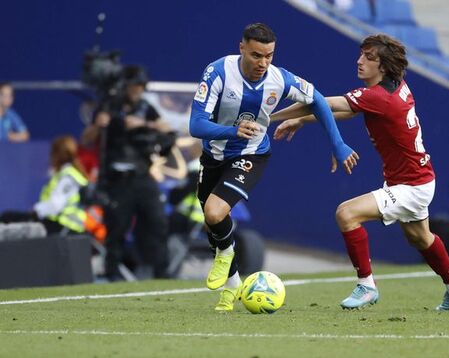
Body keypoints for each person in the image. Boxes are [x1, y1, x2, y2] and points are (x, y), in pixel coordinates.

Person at [271, 33, 449, 311]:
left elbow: (323, 103)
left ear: (384, 66)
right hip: (419, 178)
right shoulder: (394, 87)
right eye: (361, 54)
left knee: (346, 213)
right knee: (418, 236)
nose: (360, 61)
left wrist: (271, 116)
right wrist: (300, 120)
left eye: (369, 57)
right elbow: (350, 112)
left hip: (411, 186)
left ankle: (366, 286)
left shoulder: (379, 97)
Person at [188, 23, 358, 311]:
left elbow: (317, 99)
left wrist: (337, 144)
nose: (263, 63)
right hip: (214, 155)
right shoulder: (217, 72)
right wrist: (232, 131)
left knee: (215, 212)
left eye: (269, 56)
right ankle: (231, 290)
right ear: (241, 47)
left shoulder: (279, 79)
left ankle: (226, 255)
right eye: (256, 55)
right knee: (212, 222)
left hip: (251, 154)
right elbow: (196, 125)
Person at [94, 65, 174, 281]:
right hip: (117, 178)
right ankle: (112, 272)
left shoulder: (146, 109)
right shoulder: (110, 106)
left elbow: (166, 129)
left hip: (142, 175)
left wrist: (145, 124)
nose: (136, 89)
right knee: (117, 226)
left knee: (158, 222)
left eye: (140, 85)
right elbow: (90, 137)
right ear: (125, 86)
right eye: (133, 85)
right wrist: (102, 124)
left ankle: (161, 272)